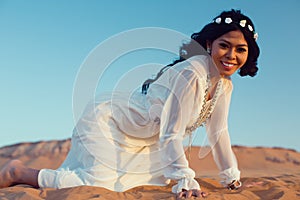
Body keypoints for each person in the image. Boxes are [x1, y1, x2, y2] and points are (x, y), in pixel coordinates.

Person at [0, 9, 259, 199]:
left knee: (138, 184)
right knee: (95, 184)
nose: (231, 56)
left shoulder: (224, 85)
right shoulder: (193, 73)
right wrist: (184, 179)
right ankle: (18, 172)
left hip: (143, 140)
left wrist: (232, 179)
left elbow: (218, 133)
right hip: (110, 122)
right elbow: (172, 132)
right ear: (208, 44)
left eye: (240, 50)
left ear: (248, 54)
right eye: (224, 46)